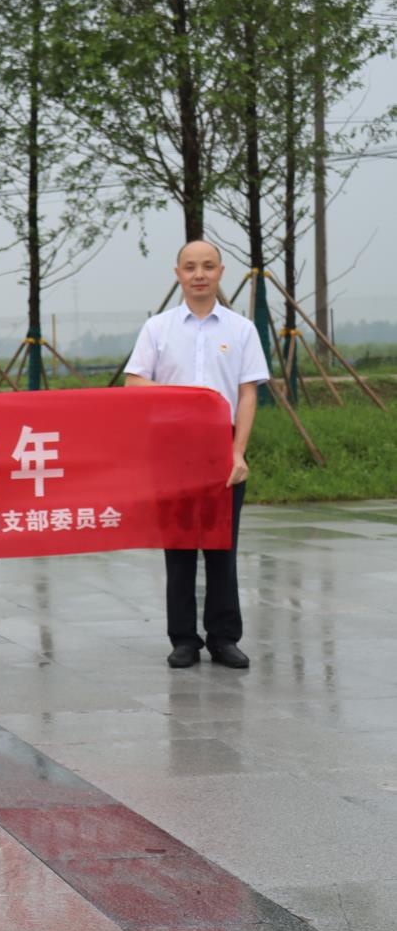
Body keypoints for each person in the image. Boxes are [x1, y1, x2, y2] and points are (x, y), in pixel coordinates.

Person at [126, 239, 266, 670]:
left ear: (220, 272)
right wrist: (183, 395)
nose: (199, 274)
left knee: (223, 546)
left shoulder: (241, 329)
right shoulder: (158, 328)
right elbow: (134, 382)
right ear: (178, 274)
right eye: (190, 267)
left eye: (208, 266)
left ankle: (224, 638)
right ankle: (184, 639)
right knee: (180, 546)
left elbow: (247, 394)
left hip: (222, 448)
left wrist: (238, 453)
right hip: (172, 449)